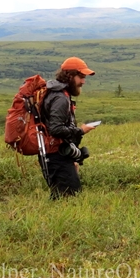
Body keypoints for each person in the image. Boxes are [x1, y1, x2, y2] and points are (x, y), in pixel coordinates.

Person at [40, 57, 97, 200]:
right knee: (69, 198)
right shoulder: (60, 98)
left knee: (61, 197)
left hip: (56, 153)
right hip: (56, 155)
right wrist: (81, 130)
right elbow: (56, 129)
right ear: (70, 76)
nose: (83, 81)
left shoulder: (56, 93)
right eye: (81, 77)